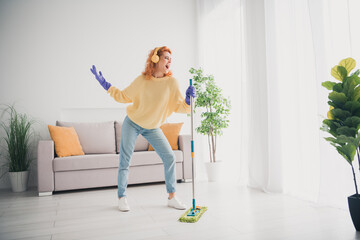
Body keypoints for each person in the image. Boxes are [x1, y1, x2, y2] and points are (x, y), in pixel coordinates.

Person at [90, 46, 196, 212]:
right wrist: (106, 84)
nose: (169, 61)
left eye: (171, 59)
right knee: (125, 160)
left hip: (152, 127)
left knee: (169, 157)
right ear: (155, 59)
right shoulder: (142, 80)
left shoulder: (172, 83)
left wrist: (189, 101)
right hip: (133, 122)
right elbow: (123, 96)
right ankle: (122, 197)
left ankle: (172, 197)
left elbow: (180, 107)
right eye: (166, 57)